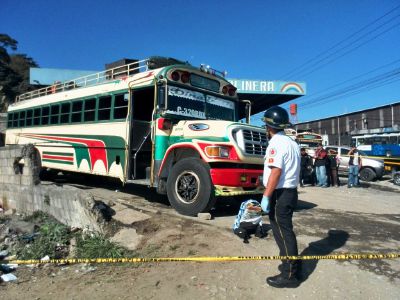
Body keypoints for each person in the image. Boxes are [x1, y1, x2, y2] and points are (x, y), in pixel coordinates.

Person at [261, 106, 301, 288]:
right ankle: (290, 264)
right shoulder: (292, 142)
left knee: (283, 234)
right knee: (286, 231)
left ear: (268, 127)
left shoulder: (275, 143)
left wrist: (266, 196)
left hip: (281, 193)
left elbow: (276, 172)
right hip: (291, 192)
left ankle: (289, 275)